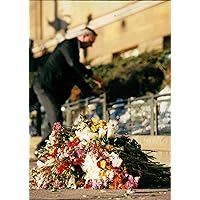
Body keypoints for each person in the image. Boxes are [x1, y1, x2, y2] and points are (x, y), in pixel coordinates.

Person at [33, 27, 103, 153]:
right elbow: (73, 65)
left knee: (52, 119)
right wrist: (92, 75)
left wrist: (89, 91)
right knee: (56, 116)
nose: (91, 45)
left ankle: (42, 149)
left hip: (51, 90)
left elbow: (74, 75)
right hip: (44, 87)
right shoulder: (68, 44)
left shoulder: (73, 50)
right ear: (84, 36)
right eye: (91, 41)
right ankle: (51, 148)